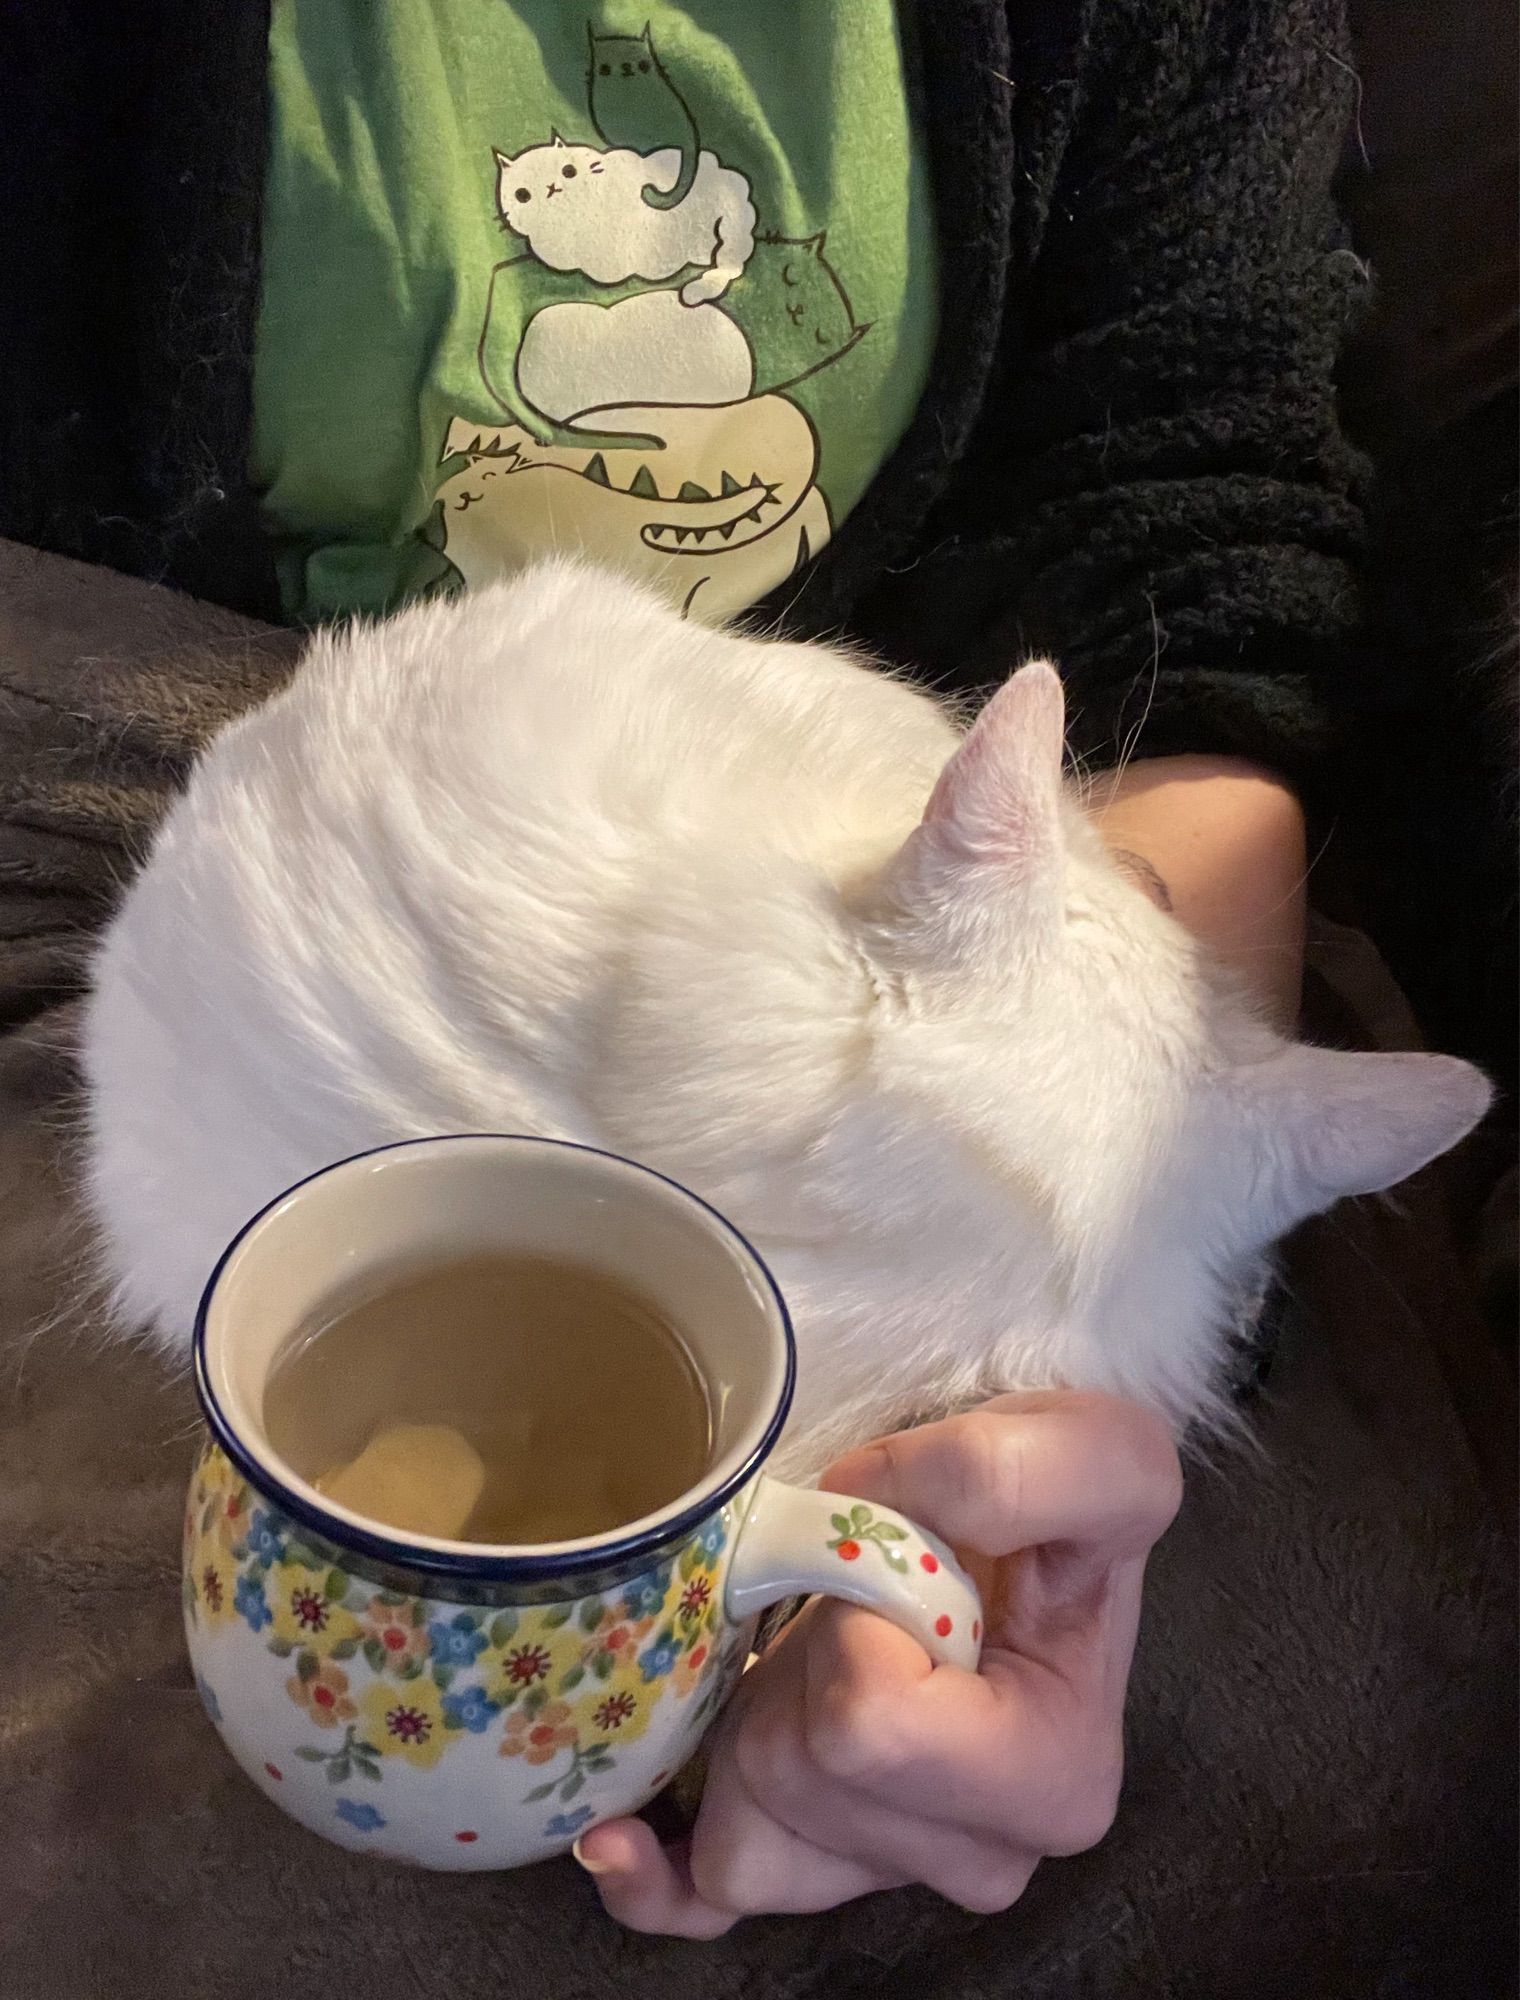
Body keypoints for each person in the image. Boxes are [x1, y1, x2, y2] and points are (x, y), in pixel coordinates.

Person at [0, 0, 1397, 1939]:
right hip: (106, 788)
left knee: (1312, 1761)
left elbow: (1183, 528)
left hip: (918, 886)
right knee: (195, 1867)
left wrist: (1080, 1272)